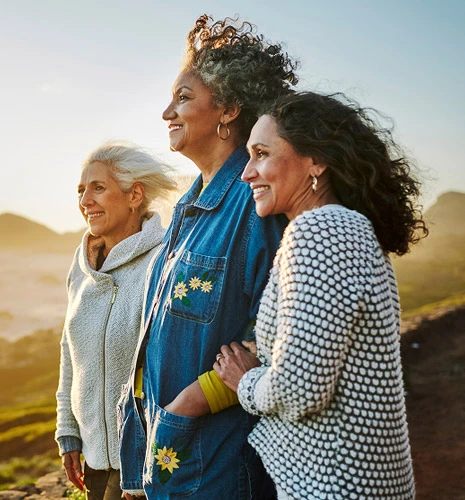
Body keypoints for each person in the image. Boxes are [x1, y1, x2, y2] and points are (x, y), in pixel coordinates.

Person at [214, 91, 428, 499]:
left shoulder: (321, 231)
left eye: (261, 153)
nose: (247, 173)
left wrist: (245, 381)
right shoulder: (345, 229)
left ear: (316, 160)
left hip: (334, 487)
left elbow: (299, 390)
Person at [118, 14, 297, 500]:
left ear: (229, 109)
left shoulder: (256, 201)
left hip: (219, 464)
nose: (166, 113)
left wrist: (188, 407)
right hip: (172, 461)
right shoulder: (187, 208)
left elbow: (284, 333)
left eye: (183, 97)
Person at [55, 142, 177, 500]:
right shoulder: (81, 269)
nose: (85, 200)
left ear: (135, 194)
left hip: (146, 462)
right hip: (93, 461)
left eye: (98, 188)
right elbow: (69, 353)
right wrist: (68, 433)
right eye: (81, 190)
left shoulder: (165, 261)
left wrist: (150, 456)